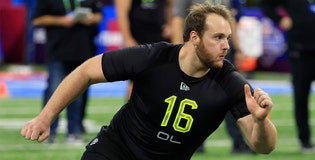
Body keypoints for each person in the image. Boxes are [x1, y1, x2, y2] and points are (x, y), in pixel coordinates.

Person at [21, 2, 277, 159]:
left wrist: (261, 120)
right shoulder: (154, 57)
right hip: (115, 152)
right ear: (194, 37)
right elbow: (86, 71)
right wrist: (45, 117)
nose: (226, 46)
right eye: (218, 37)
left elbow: (262, 146)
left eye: (228, 38)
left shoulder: (229, 81)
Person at [171, 0, 252, 154]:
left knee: (230, 94)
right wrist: (177, 53)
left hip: (221, 53)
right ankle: (192, 143)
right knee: (193, 98)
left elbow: (229, 21)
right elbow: (177, 19)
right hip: (196, 53)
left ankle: (238, 141)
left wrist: (238, 48)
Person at [32, 0, 103, 143]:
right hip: (57, 50)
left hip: (82, 49)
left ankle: (74, 132)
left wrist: (90, 19)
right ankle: (48, 131)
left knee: (77, 92)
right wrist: (62, 21)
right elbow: (37, 19)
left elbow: (99, 15)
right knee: (54, 88)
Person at [259, 0, 315, 154]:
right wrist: (279, 19)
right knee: (301, 99)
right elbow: (265, 4)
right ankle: (305, 141)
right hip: (300, 51)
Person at [114, 0, 172, 100]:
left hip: (160, 38)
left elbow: (170, 4)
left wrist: (170, 25)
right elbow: (121, 13)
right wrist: (127, 38)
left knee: (161, 78)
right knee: (135, 79)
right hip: (138, 38)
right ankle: (131, 113)